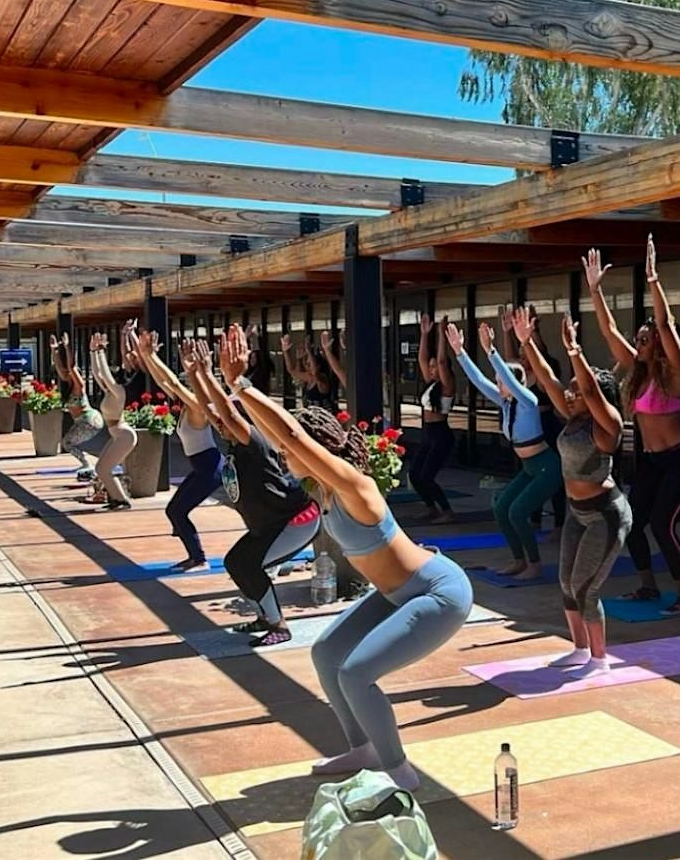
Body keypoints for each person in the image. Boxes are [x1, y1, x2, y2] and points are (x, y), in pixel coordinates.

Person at [219, 323, 472, 790]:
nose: (282, 456)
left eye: (288, 452)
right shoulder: (323, 492)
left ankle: (400, 773)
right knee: (326, 653)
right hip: (397, 593)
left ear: (321, 451)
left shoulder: (355, 487)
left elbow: (292, 437)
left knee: (357, 673)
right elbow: (283, 438)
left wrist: (241, 385)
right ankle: (366, 747)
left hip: (438, 592)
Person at [584, 237, 680, 614]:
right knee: (633, 525)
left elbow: (665, 323)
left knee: (663, 524)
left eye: (647, 339)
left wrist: (653, 279)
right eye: (640, 338)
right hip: (650, 460)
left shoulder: (676, 374)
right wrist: (594, 290)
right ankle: (648, 587)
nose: (641, 342)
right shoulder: (636, 372)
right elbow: (608, 330)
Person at [513, 307, 629, 676]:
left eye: (579, 392)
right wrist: (526, 342)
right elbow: (548, 379)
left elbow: (593, 391)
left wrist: (575, 351)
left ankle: (600, 659)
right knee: (566, 582)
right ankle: (579, 650)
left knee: (586, 588)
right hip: (578, 512)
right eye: (573, 392)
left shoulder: (608, 425)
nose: (572, 395)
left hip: (606, 514)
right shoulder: (573, 416)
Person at [186, 337, 321, 646]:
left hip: (296, 519)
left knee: (250, 565)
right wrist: (195, 375)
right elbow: (210, 412)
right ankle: (265, 616)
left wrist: (210, 374)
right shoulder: (235, 441)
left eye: (228, 422)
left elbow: (230, 416)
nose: (221, 426)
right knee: (236, 562)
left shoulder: (254, 441)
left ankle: (279, 626)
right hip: (271, 523)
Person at [447, 319, 562, 580]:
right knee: (501, 508)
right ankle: (519, 560)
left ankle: (534, 565)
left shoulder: (528, 400)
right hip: (530, 468)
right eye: (497, 382)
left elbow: (509, 377)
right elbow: (478, 380)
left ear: (515, 383)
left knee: (517, 512)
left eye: (501, 381)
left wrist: (492, 351)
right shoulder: (506, 402)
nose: (497, 385)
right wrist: (460, 352)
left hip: (547, 467)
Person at [137, 329, 224, 572]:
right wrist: (147, 356)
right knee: (175, 511)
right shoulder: (188, 407)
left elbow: (173, 382)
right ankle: (195, 557)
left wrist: (152, 355)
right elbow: (164, 381)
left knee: (177, 511)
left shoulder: (198, 408)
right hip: (202, 468)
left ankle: (199, 559)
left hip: (211, 468)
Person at [501, 305, 567, 540]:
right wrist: (508, 333)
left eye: (525, 350)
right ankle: (534, 519)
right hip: (526, 430)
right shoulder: (519, 375)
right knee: (529, 475)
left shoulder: (542, 372)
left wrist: (531, 333)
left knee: (552, 478)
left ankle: (559, 525)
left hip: (546, 426)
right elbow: (508, 364)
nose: (521, 354)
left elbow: (542, 367)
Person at [408, 314, 457, 523]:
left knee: (427, 476)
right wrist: (424, 335)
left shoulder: (447, 385)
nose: (431, 368)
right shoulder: (430, 383)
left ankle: (447, 511)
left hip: (440, 434)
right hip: (427, 433)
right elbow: (421, 359)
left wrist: (441, 335)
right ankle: (431, 508)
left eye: (434, 366)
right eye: (430, 366)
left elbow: (442, 360)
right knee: (414, 475)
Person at [89, 332, 135, 511]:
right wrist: (94, 351)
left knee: (103, 469)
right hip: (118, 435)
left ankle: (121, 500)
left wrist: (101, 351)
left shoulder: (119, 393)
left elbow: (106, 376)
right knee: (100, 468)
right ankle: (117, 498)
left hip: (125, 435)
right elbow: (97, 373)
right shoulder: (109, 393)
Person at [48, 332, 102, 484]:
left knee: (67, 443)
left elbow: (71, 367)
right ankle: (87, 464)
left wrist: (67, 347)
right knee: (68, 443)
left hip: (89, 420)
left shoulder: (79, 387)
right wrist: (54, 350)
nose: (66, 375)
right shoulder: (68, 385)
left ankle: (87, 465)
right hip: (84, 421)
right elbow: (61, 368)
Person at [281, 333, 337, 408]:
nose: (307, 366)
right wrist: (285, 351)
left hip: (324, 415)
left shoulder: (322, 378)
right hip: (312, 414)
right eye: (306, 363)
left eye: (309, 364)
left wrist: (308, 351)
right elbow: (291, 370)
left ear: (318, 366)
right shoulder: (309, 377)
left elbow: (315, 373)